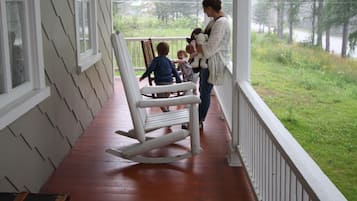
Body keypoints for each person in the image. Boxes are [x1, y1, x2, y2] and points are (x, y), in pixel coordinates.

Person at [195, 0, 231, 129]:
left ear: (210, 8)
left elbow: (209, 50)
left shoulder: (221, 23)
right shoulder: (214, 22)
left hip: (212, 63)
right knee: (203, 90)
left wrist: (199, 45)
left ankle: (198, 120)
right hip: (207, 62)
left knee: (205, 92)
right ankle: (198, 118)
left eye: (205, 9)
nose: (204, 11)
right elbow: (205, 40)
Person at [139, 41, 182, 112]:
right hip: (169, 83)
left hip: (160, 83)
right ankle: (167, 109)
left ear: (158, 51)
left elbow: (150, 69)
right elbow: (174, 71)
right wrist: (178, 80)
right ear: (167, 52)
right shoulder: (168, 61)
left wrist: (143, 76)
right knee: (166, 98)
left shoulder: (156, 60)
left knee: (159, 99)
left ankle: (165, 111)